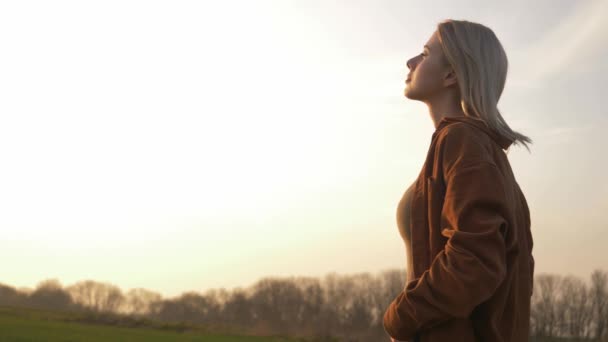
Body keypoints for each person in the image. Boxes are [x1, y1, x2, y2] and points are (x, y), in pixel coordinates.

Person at [383, 19, 535, 342]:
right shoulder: (478, 149)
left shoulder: (462, 140)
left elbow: (475, 261)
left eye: (424, 54)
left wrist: (400, 317)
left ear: (451, 74)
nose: (411, 62)